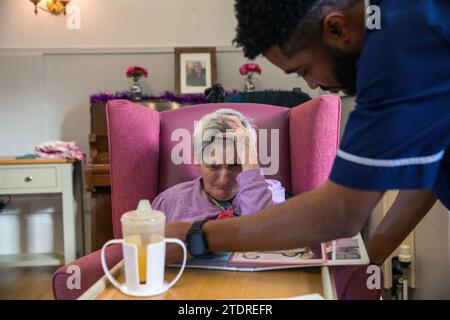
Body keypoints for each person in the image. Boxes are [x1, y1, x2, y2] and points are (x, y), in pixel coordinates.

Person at [166, 0, 449, 272]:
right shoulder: (404, 18)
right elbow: (429, 164)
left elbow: (340, 212)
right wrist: (369, 261)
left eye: (304, 70)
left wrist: (197, 236)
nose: (313, 84)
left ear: (336, 29)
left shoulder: (400, 46)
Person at [152, 108, 285, 222]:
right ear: (198, 162)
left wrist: (247, 152)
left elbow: (264, 231)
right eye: (213, 167)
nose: (223, 179)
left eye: (235, 165)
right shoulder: (169, 202)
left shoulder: (271, 193)